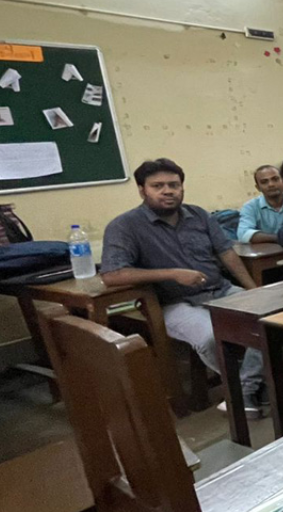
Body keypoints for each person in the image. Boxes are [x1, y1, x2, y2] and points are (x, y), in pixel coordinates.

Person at [102, 159, 265, 416]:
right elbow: (112, 274)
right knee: (212, 337)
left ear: (182, 188)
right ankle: (253, 386)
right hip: (173, 303)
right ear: (142, 190)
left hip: (220, 291)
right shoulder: (125, 226)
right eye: (158, 186)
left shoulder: (199, 215)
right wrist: (172, 274)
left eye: (174, 185)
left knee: (267, 317)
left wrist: (254, 290)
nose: (168, 191)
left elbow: (227, 253)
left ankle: (243, 391)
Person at [238, 165, 283, 244]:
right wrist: (280, 238)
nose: (271, 184)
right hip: (268, 253)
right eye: (264, 182)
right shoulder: (250, 207)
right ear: (258, 188)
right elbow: (243, 234)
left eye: (275, 179)